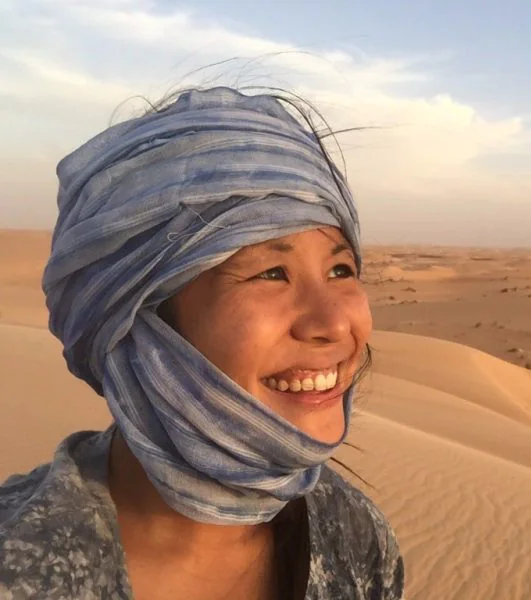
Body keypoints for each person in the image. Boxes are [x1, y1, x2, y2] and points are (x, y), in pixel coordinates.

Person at [0, 86, 404, 599]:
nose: (334, 322)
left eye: (341, 269)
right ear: (141, 327)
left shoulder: (354, 534)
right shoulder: (20, 570)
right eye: (271, 273)